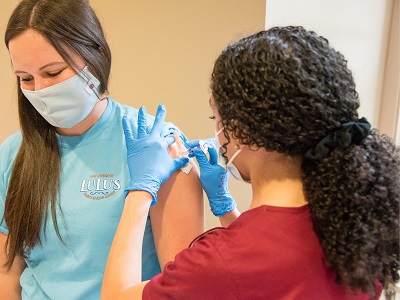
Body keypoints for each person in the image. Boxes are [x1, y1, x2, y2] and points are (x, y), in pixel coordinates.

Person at [101, 26, 400, 300]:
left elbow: (117, 295)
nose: (217, 132)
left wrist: (142, 189)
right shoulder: (357, 220)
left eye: (215, 118)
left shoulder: (221, 261)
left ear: (243, 129)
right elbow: (273, 255)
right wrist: (225, 207)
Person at [0, 0, 204, 299]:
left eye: (54, 73)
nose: (40, 89)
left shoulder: (158, 145)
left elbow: (183, 284)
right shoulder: (14, 153)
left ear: (97, 55)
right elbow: (8, 271)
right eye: (26, 79)